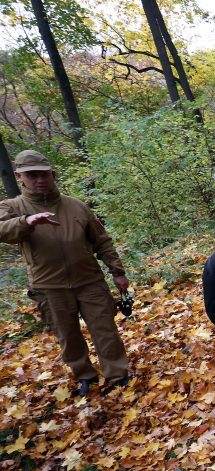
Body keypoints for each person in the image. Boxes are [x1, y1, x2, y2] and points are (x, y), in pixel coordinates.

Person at [0, 150, 130, 396]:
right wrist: (26, 222)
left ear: (52, 174)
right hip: (49, 287)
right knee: (68, 337)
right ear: (20, 177)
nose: (40, 180)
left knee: (105, 330)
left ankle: (118, 375)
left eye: (44, 174)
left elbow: (102, 241)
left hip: (89, 280)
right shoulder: (12, 207)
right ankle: (85, 377)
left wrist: (117, 272)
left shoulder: (76, 206)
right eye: (32, 175)